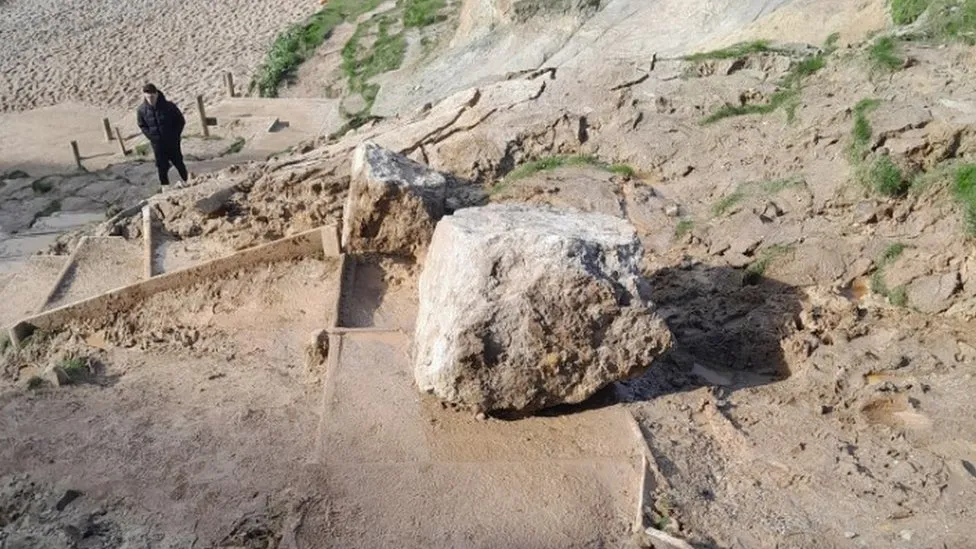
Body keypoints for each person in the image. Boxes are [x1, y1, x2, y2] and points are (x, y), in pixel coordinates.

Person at [137, 83, 188, 188]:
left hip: (172, 141)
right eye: (148, 97)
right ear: (144, 96)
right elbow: (142, 125)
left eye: (152, 96)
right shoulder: (141, 110)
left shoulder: (169, 106)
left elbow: (180, 121)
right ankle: (165, 187)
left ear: (157, 94)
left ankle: (187, 181)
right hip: (157, 143)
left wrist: (175, 135)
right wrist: (151, 137)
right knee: (161, 166)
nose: (150, 99)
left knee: (178, 162)